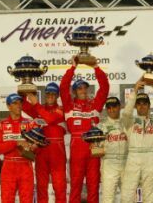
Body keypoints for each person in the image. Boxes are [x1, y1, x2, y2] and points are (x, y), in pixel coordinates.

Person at [60, 56, 109, 203]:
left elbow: (105, 88)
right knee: (76, 185)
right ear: (74, 91)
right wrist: (72, 67)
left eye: (85, 87)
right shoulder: (69, 105)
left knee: (93, 186)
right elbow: (63, 87)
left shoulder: (94, 105)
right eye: (79, 88)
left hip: (94, 148)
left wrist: (96, 68)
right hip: (77, 148)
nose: (83, 90)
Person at [120, 78, 153, 203]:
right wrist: (135, 91)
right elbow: (126, 113)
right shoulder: (130, 121)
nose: (142, 105)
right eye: (139, 103)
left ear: (149, 105)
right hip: (133, 156)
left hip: (151, 157)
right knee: (126, 195)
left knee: (149, 195)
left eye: (145, 103)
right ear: (135, 106)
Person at [22, 82, 67, 203]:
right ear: (45, 95)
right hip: (41, 152)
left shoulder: (61, 109)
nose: (50, 96)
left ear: (57, 96)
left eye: (53, 94)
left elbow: (50, 118)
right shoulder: (38, 109)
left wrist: (36, 104)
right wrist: (23, 90)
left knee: (60, 187)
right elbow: (23, 105)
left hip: (57, 153)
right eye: (48, 93)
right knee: (41, 187)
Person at [0, 93, 37, 203]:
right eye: (15, 103)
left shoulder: (30, 123)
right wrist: (15, 142)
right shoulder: (0, 125)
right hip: (9, 166)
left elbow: (37, 145)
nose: (19, 105)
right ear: (8, 106)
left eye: (20, 102)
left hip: (25, 165)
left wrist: (34, 146)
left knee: (27, 200)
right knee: (7, 200)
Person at [100, 97, 128, 203]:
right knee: (108, 199)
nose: (112, 110)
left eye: (114, 107)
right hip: (109, 164)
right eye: (109, 108)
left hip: (126, 163)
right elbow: (96, 147)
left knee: (129, 198)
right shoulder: (101, 126)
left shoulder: (127, 124)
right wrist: (94, 148)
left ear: (119, 107)